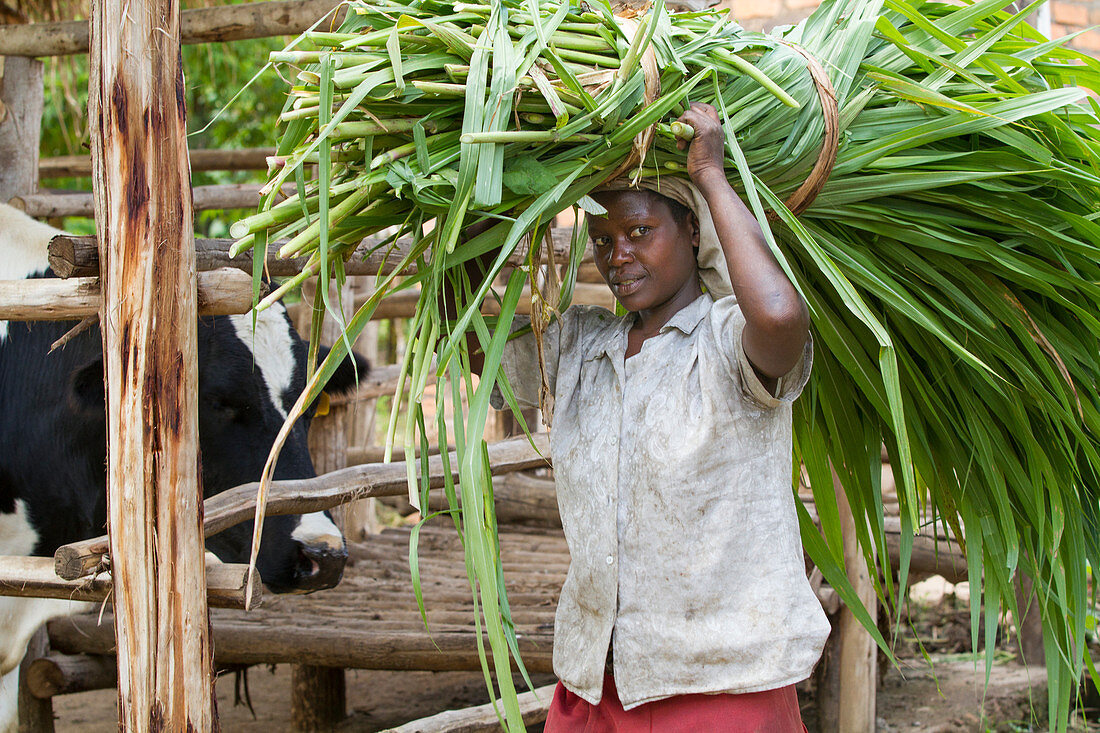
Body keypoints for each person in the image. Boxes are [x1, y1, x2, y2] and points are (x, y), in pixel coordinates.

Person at [477, 102, 830, 731]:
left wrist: (711, 175)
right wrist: (470, 194)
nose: (618, 257)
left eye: (640, 232)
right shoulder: (584, 346)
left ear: (693, 233)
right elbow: (478, 343)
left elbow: (780, 316)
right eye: (604, 241)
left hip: (720, 685)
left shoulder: (726, 343)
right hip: (595, 680)